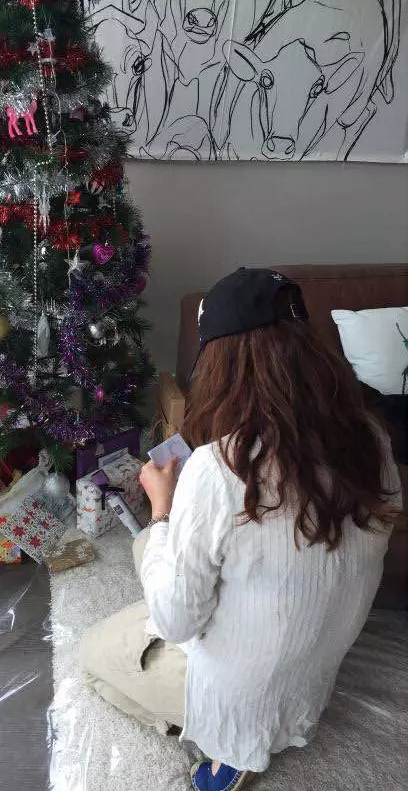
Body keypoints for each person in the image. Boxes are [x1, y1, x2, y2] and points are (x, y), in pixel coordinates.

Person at [80, 267, 401, 791]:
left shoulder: (218, 468)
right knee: (166, 560)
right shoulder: (372, 438)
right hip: (311, 676)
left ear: (221, 364)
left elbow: (177, 621)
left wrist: (163, 508)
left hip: (240, 694)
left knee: (94, 653)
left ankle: (225, 751)